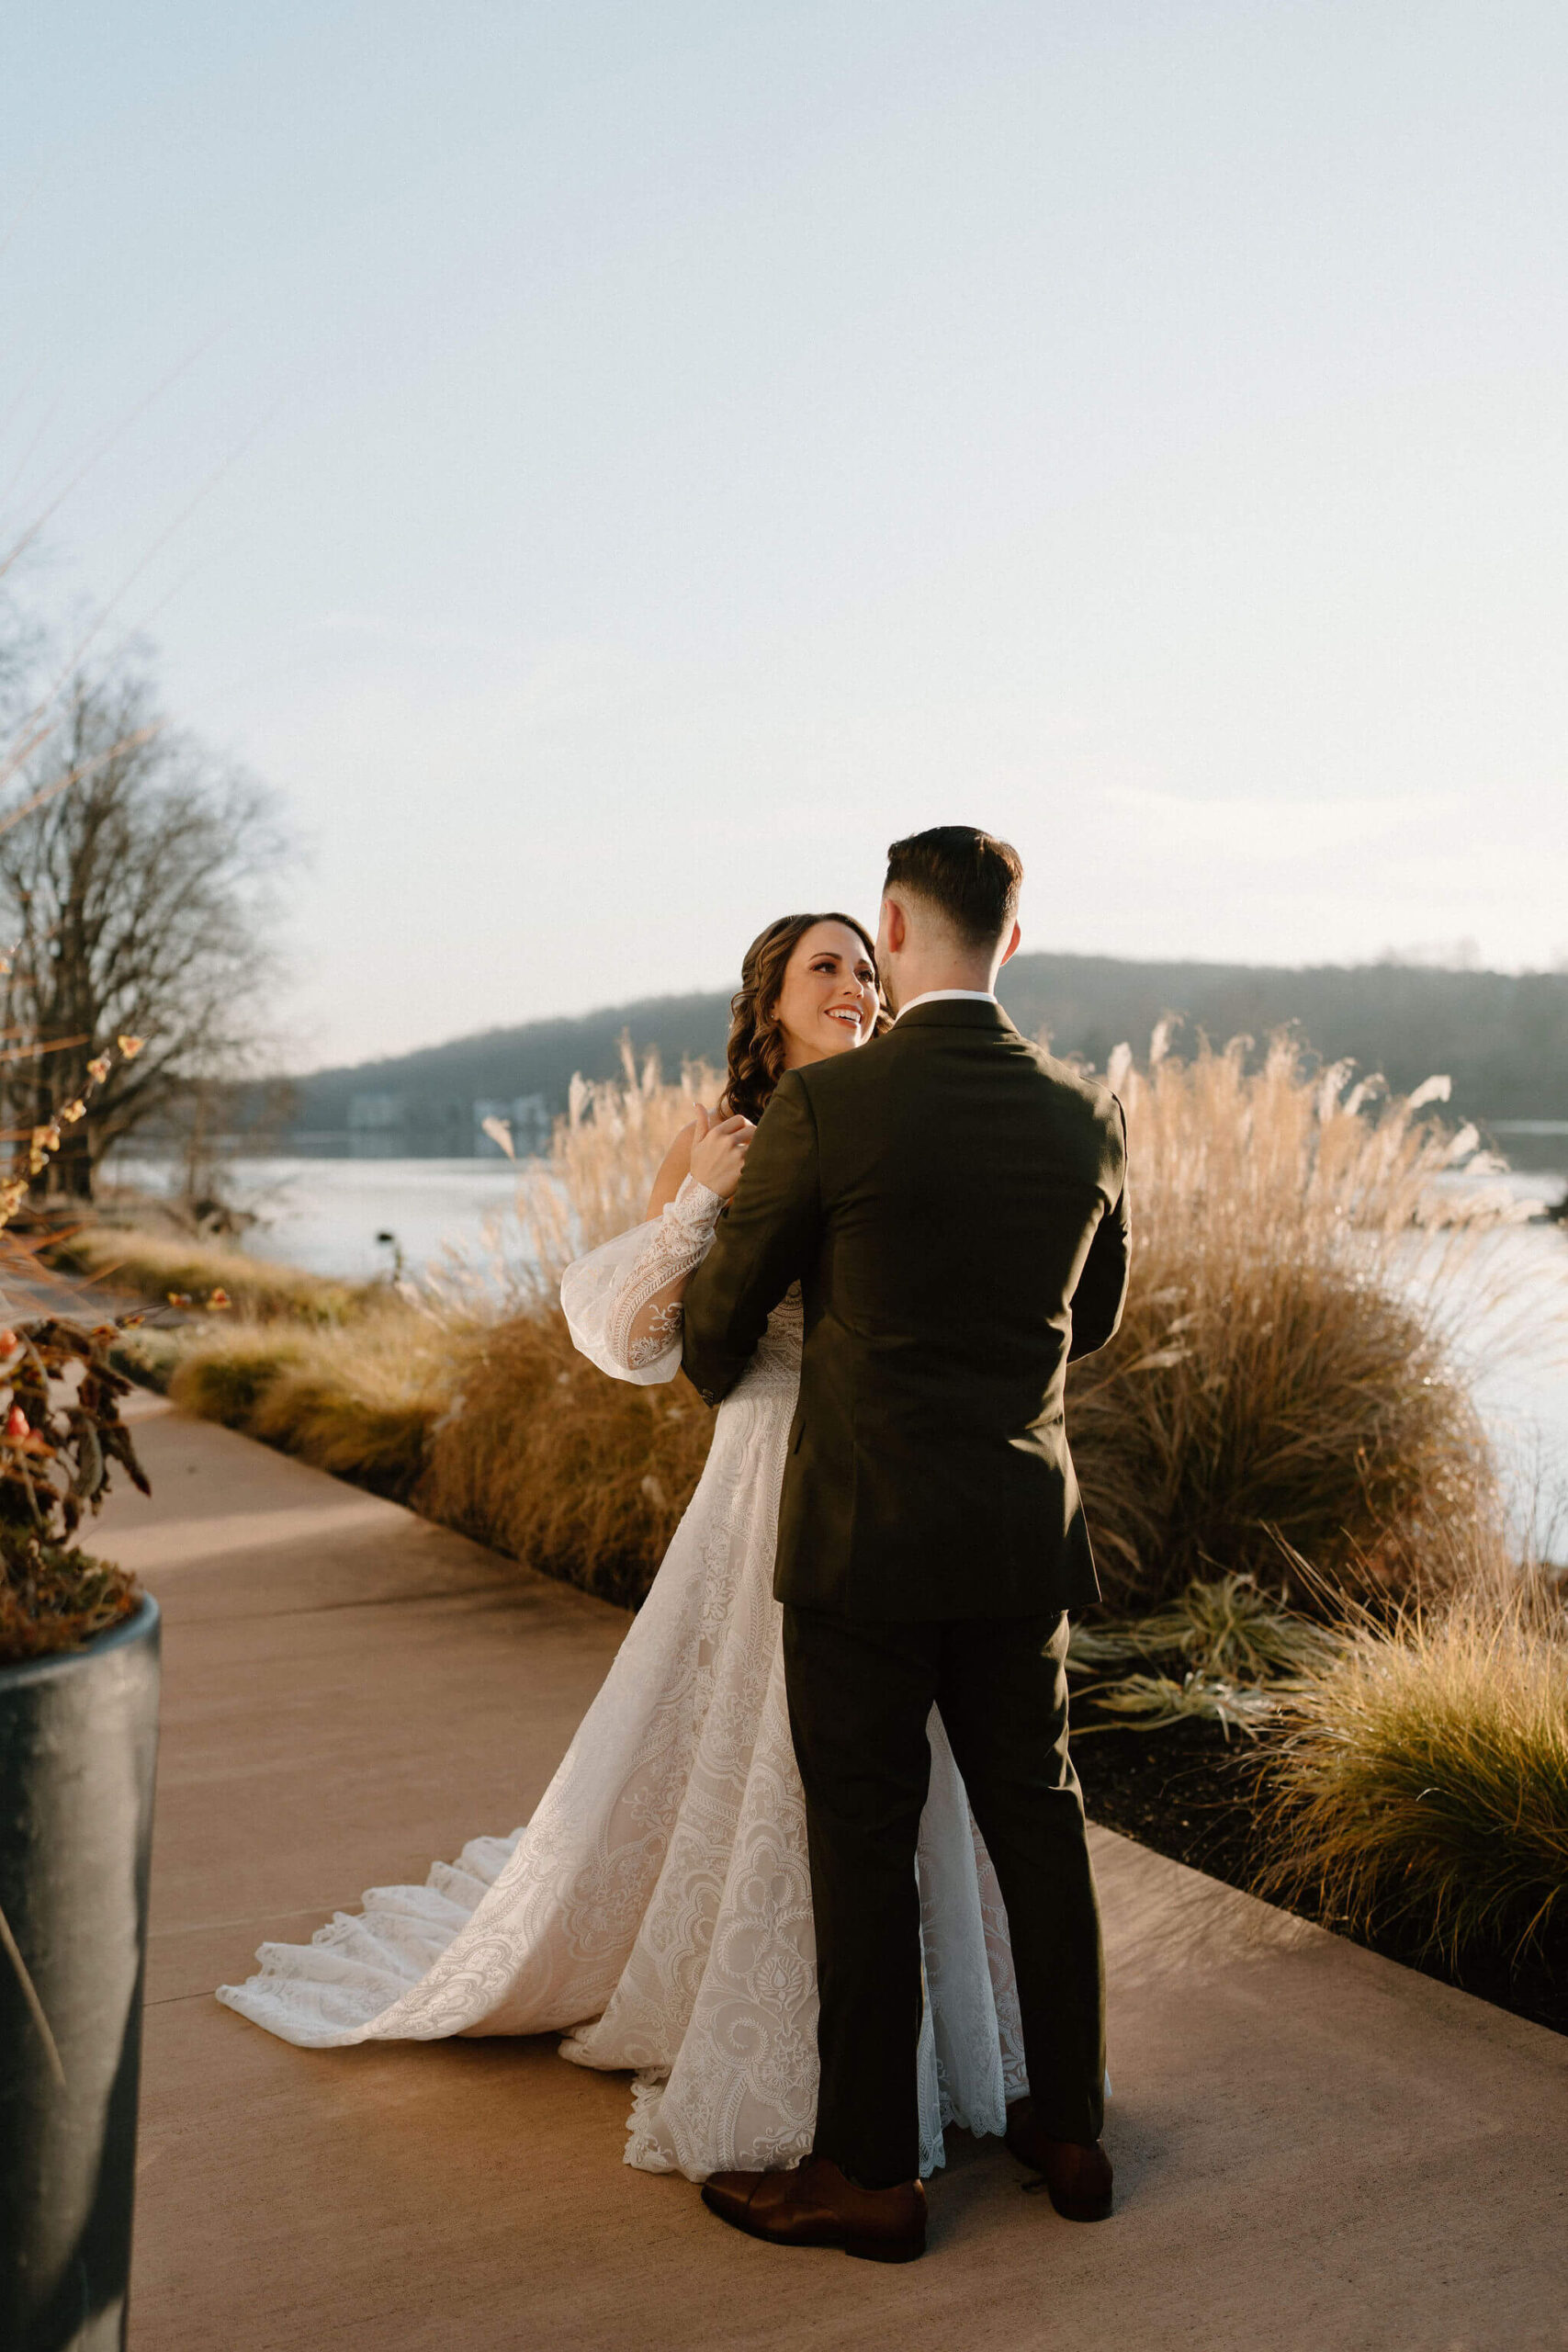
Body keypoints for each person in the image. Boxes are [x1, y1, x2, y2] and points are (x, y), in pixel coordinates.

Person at [216, 906, 1044, 2188]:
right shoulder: (733, 1138)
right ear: (768, 1001)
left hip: (900, 1488)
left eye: (867, 968)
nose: (855, 985)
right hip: (776, 1467)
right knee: (764, 1743)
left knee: (890, 1766)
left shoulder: (902, 1113)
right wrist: (701, 1200)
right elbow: (634, 1338)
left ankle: (923, 2034)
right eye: (825, 966)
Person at [683, 827, 1129, 2264]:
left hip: (864, 1549)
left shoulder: (833, 1111)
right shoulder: (1087, 1112)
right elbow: (1092, 1319)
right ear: (1016, 934)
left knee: (864, 1852)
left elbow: (710, 1344)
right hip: (1017, 1540)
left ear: (894, 921)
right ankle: (1069, 2129)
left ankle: (868, 2175)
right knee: (1042, 1828)